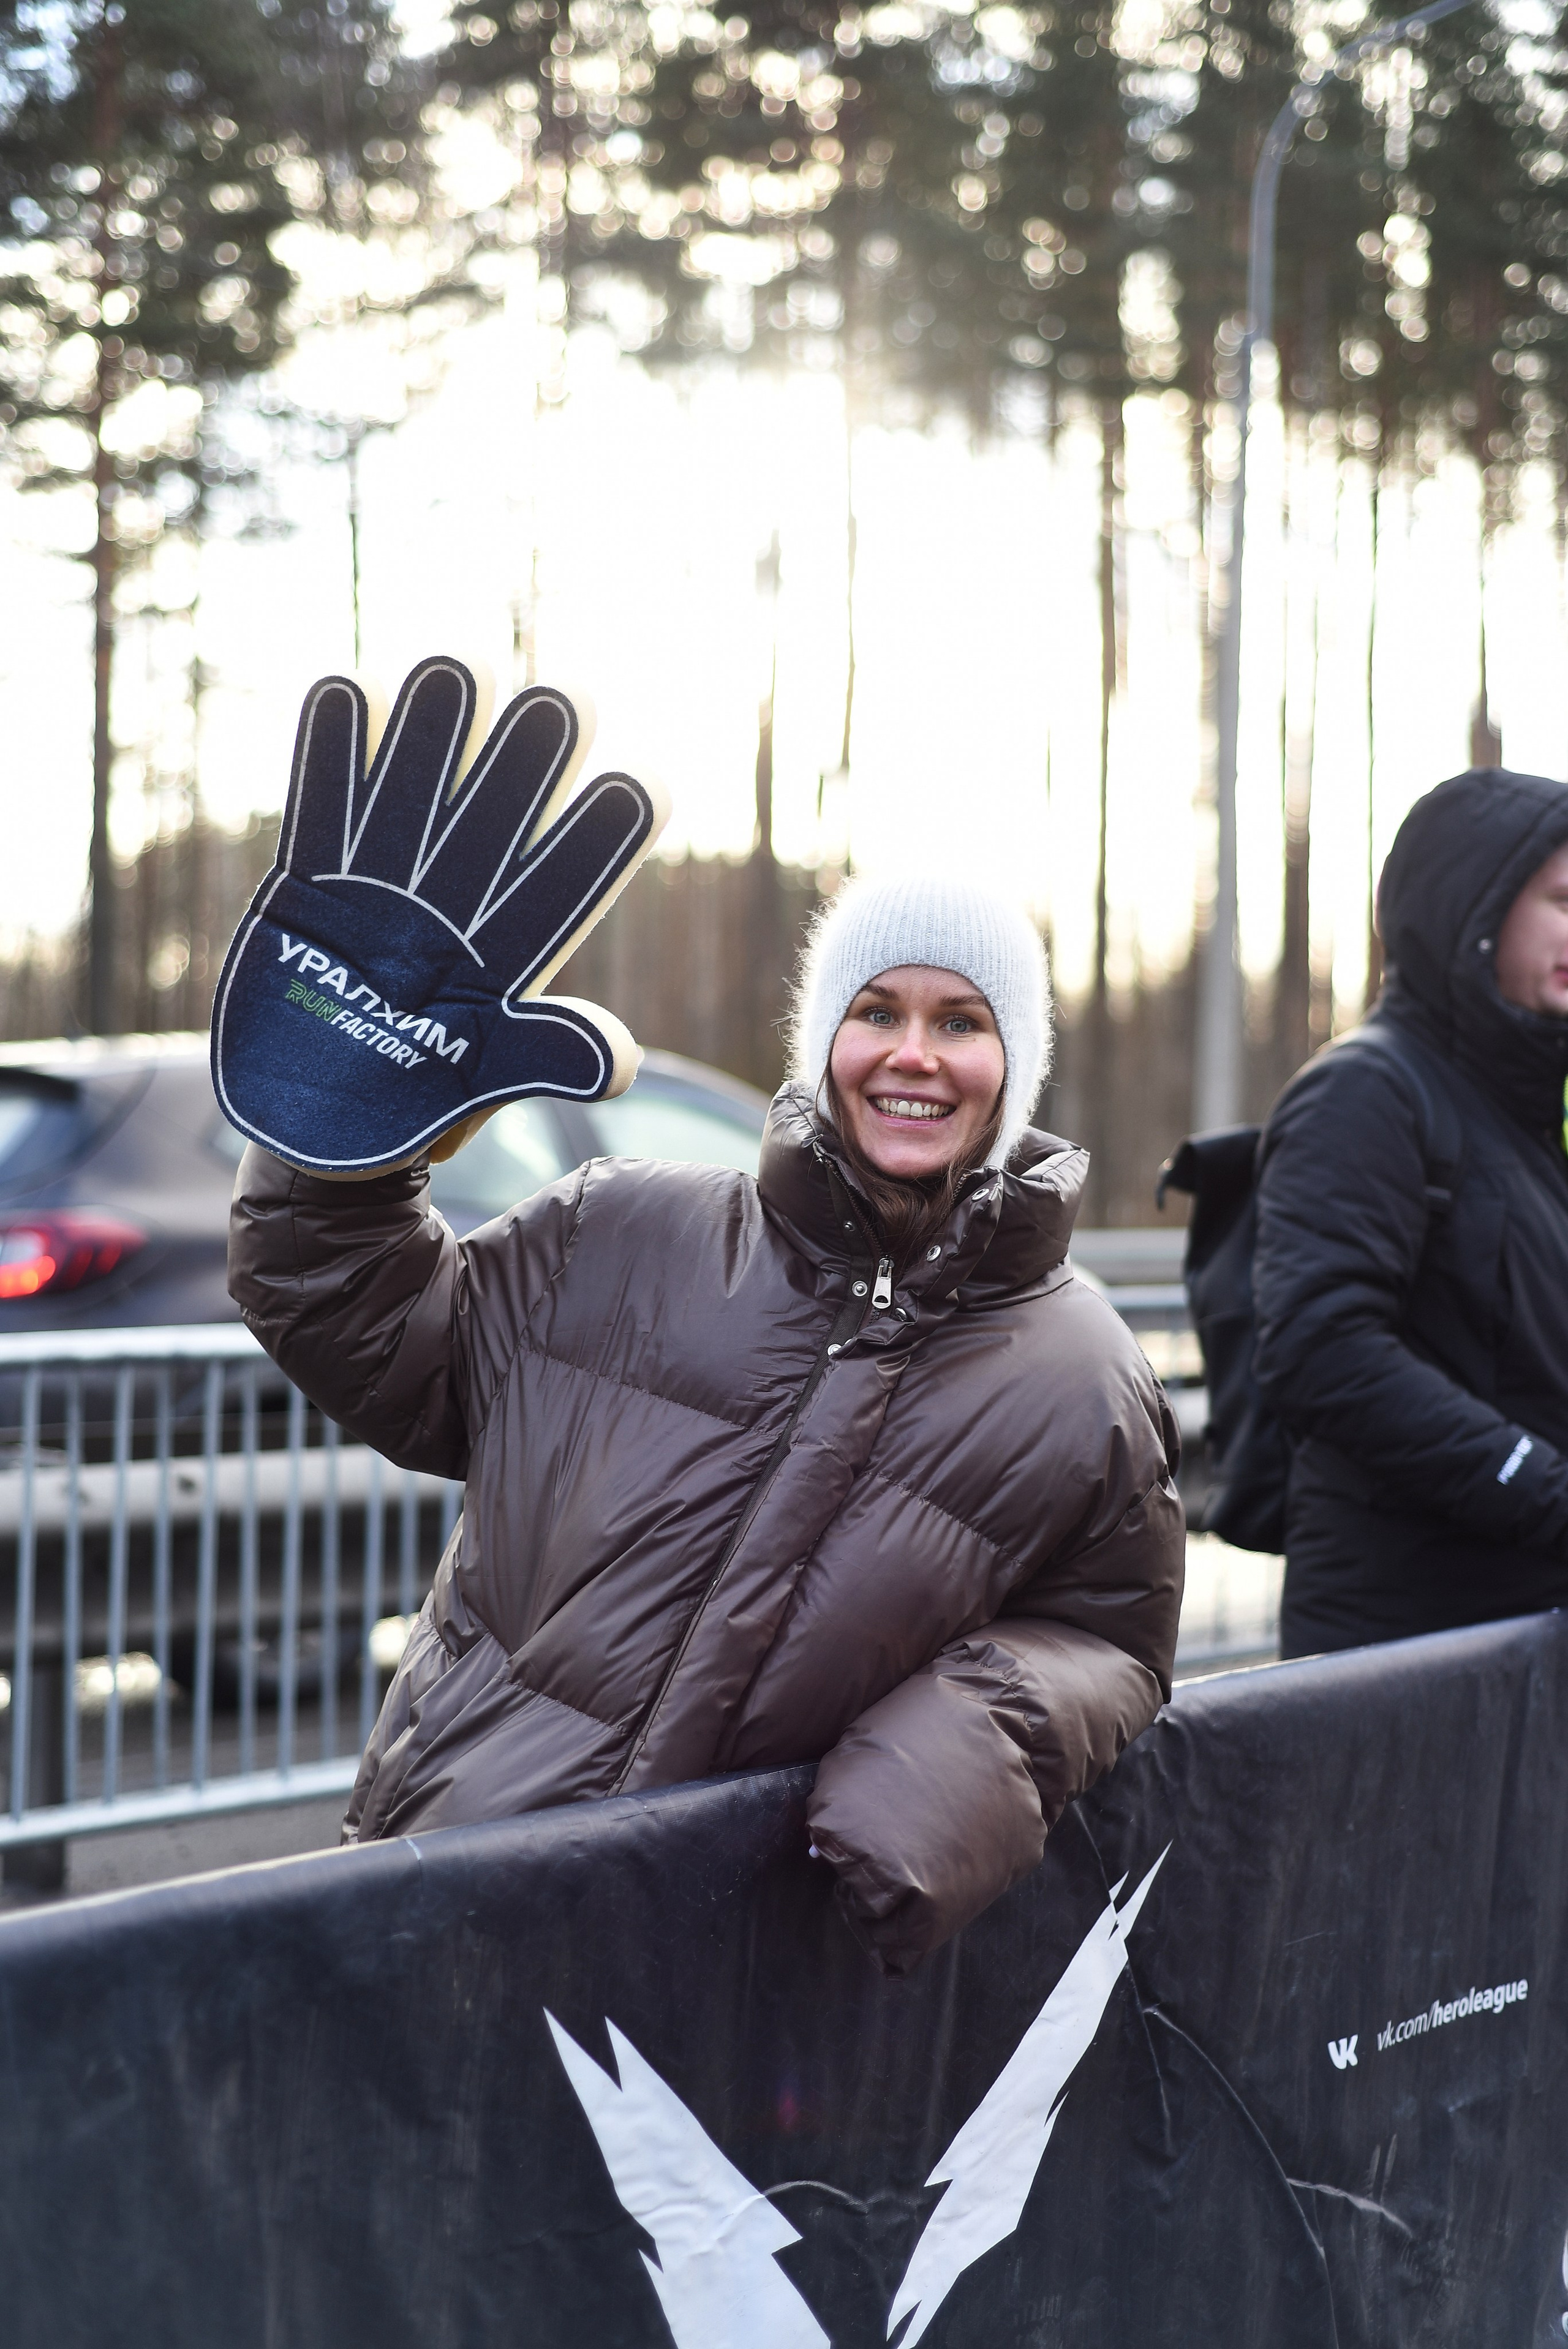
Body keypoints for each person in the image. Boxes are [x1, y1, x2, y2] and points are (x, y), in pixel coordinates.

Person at [230, 875, 1183, 1975]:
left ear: (1015, 1065)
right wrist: (335, 1129)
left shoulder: (1086, 1376)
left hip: (746, 1982)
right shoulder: (617, 1230)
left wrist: (969, 1742)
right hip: (453, 1895)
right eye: (876, 1011)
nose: (913, 1055)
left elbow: (1112, 1637)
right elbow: (364, 1316)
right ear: (822, 1040)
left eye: (961, 1022)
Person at [1253, 766, 1568, 1659]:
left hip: (1523, 1635)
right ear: (1475, 907)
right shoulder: (1366, 1092)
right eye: (1562, 901)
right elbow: (1322, 1350)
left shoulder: (1529, 1115)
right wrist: (1541, 1486)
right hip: (1403, 1656)